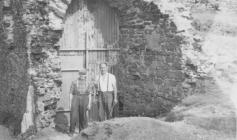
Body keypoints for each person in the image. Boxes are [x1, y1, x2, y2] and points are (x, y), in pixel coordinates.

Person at [69, 69, 92, 135]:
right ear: (79, 75)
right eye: (81, 74)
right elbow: (70, 93)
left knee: (83, 116)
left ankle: (81, 131)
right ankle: (71, 131)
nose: (82, 76)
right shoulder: (74, 82)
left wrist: (89, 104)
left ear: (85, 75)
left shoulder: (88, 82)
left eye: (84, 74)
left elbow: (89, 94)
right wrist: (70, 103)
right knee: (73, 115)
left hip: (85, 98)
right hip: (76, 97)